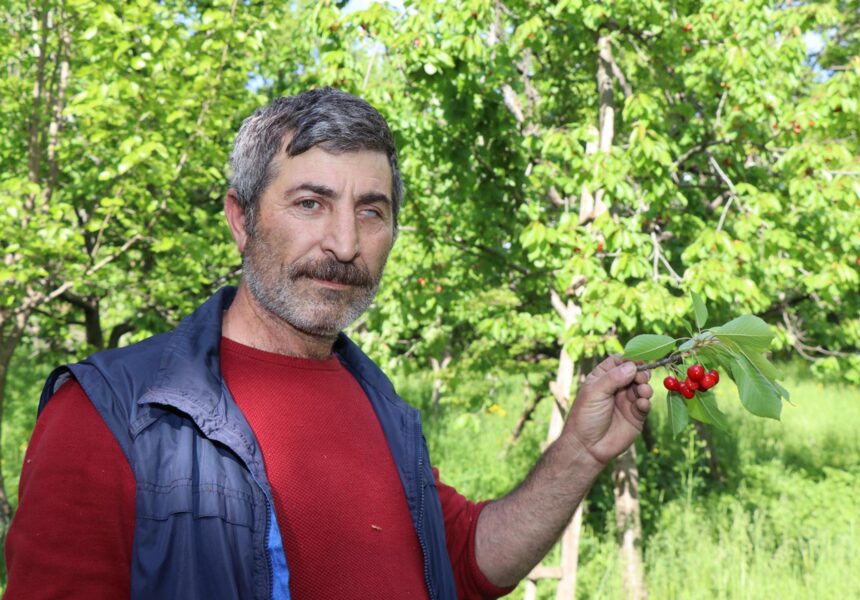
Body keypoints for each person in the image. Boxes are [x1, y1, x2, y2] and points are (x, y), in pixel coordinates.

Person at [3, 88, 653, 599]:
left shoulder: (380, 404)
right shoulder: (112, 416)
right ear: (241, 218)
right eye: (311, 203)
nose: (345, 244)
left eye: (371, 210)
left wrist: (579, 452)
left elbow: (461, 558)